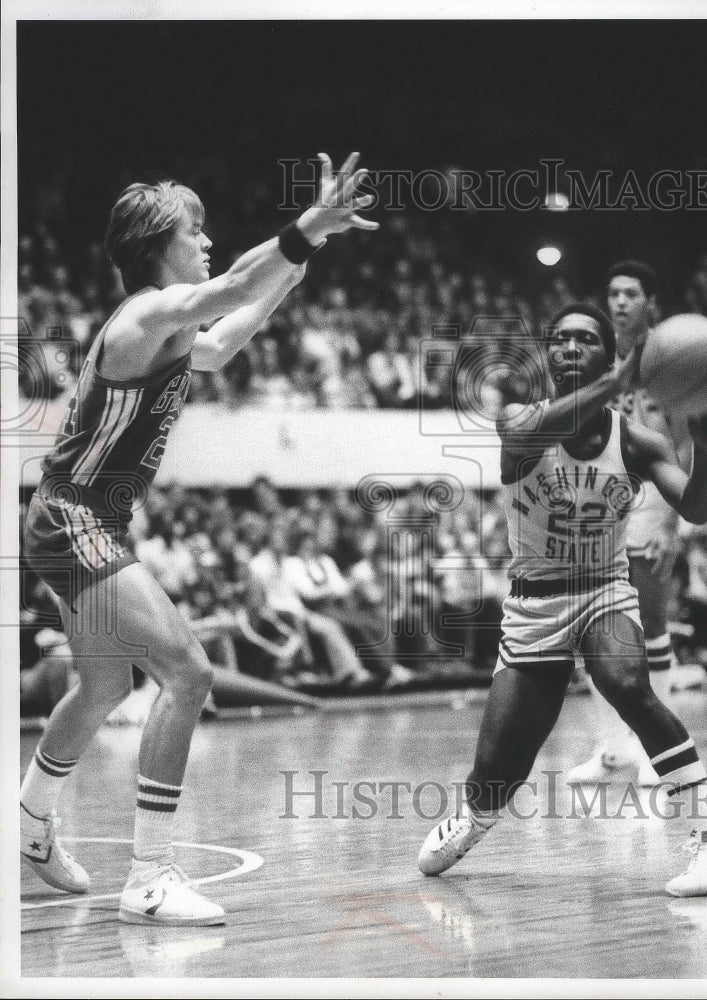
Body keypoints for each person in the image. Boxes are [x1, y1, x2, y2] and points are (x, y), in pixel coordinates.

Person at [20, 151, 378, 925]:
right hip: (75, 512)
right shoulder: (147, 313)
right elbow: (231, 290)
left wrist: (291, 271)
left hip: (80, 516)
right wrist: (306, 230)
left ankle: (28, 824)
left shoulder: (171, 332)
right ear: (158, 243)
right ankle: (149, 876)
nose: (207, 240)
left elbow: (227, 334)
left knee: (107, 687)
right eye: (196, 230)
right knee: (188, 672)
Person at [417, 304, 707, 898]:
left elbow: (696, 508)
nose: (569, 346)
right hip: (532, 609)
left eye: (585, 340)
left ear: (605, 353)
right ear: (548, 357)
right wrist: (617, 382)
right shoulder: (521, 419)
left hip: (604, 590)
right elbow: (521, 436)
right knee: (497, 773)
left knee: (625, 682)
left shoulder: (638, 443)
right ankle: (475, 813)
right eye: (560, 339)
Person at [568, 261, 704, 788]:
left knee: (649, 622)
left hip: (650, 494)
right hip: (600, 496)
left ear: (651, 303)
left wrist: (674, 523)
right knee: (592, 624)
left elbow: (685, 443)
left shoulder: (671, 361)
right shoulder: (596, 357)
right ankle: (612, 749)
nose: (620, 302)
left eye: (630, 294)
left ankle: (656, 751)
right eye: (613, 293)